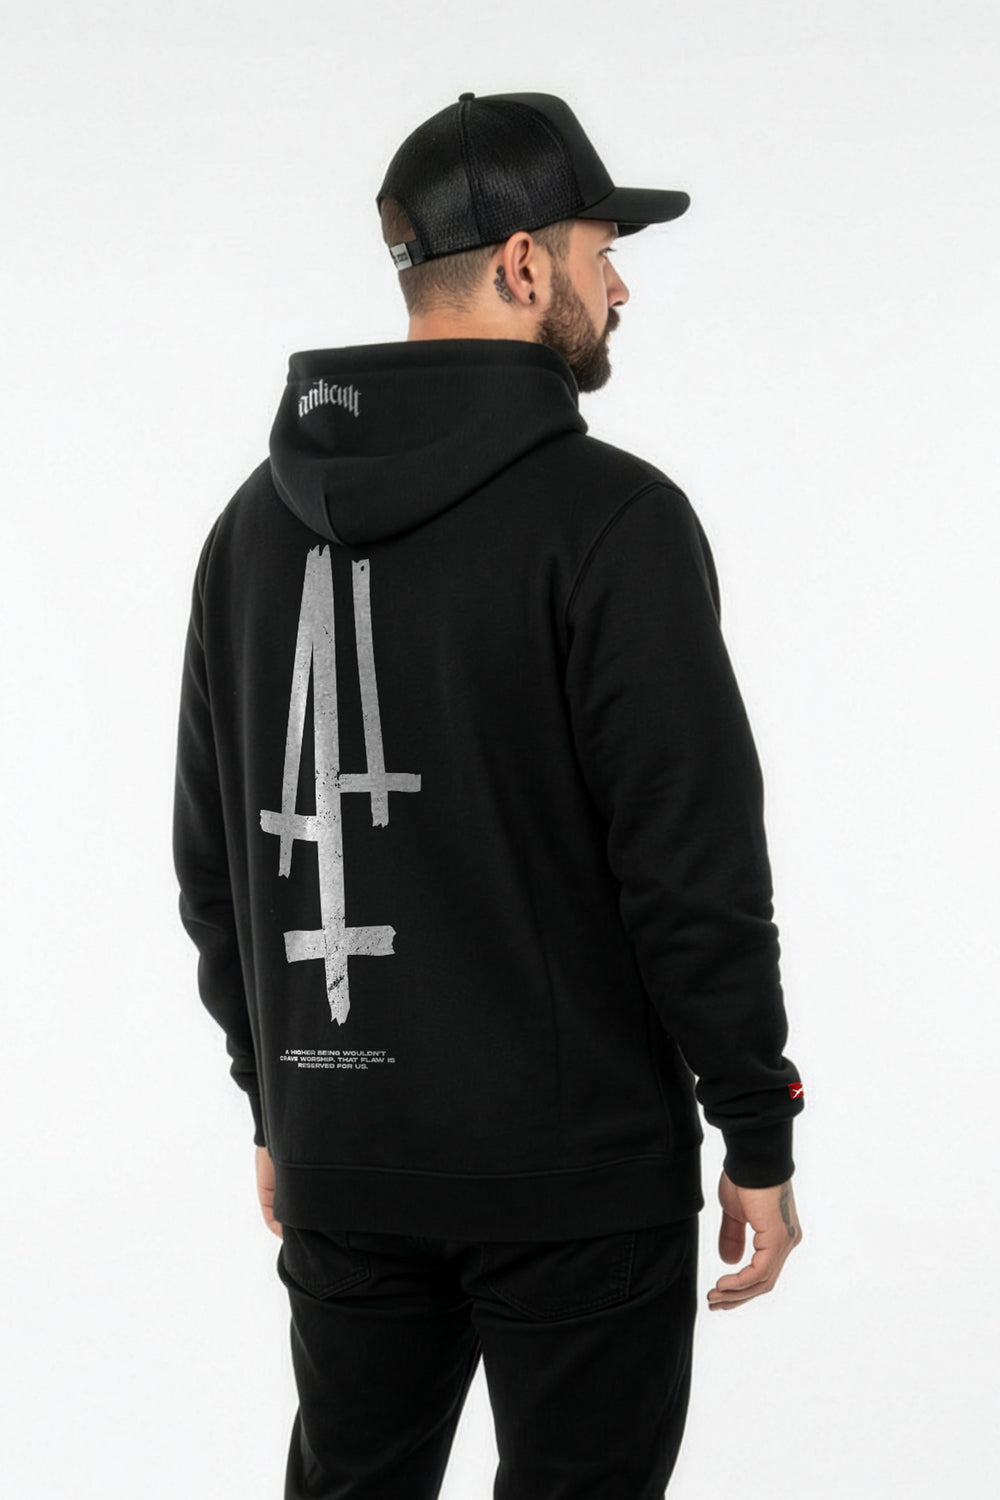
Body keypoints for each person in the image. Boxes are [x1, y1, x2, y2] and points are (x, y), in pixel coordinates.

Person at [172, 89, 806, 1500]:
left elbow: (213, 867)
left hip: (345, 1158)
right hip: (576, 1181)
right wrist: (756, 1122)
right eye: (600, 251)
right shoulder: (613, 519)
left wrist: (279, 1099)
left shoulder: (249, 530)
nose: (619, 286)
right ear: (525, 265)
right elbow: (690, 866)